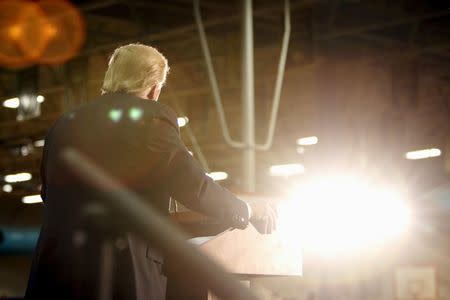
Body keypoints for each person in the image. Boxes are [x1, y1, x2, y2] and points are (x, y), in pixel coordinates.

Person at [25, 43, 277, 300]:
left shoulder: (64, 124)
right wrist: (247, 210)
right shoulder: (152, 118)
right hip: (120, 271)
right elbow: (193, 187)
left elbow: (47, 193)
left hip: (54, 266)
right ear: (155, 88)